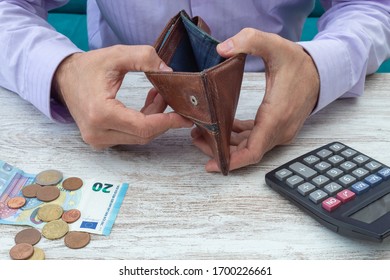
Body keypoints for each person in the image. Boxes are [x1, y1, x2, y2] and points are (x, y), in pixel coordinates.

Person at [0, 0, 389, 174]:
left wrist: (316, 69)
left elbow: (373, 6)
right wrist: (63, 71)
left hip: (276, 101)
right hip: (117, 105)